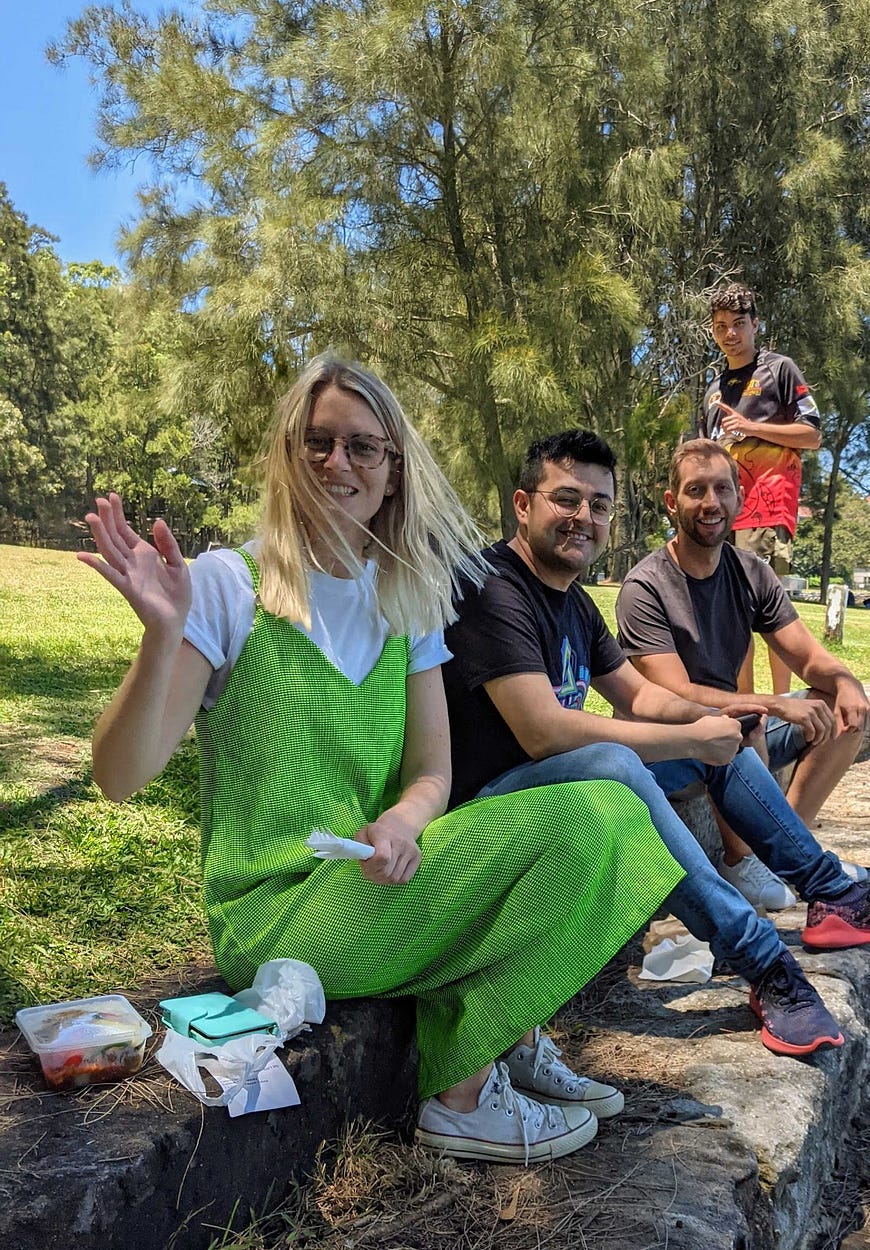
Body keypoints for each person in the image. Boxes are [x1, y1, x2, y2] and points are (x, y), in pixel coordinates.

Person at [79, 356, 689, 1165]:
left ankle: (504, 1037)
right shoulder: (230, 587)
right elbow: (118, 777)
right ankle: (464, 1097)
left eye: (364, 448)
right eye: (318, 441)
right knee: (590, 817)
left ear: (394, 471)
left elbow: (430, 773)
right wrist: (162, 634)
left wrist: (404, 821)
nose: (339, 464)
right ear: (288, 454)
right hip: (274, 922)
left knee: (611, 811)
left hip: (370, 882)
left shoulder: (406, 598)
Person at [443, 429, 870, 1058]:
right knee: (618, 761)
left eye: (598, 505)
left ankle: (832, 894)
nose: (583, 518)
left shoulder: (572, 601)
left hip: (550, 790)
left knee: (711, 735)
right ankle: (765, 965)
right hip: (485, 808)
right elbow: (542, 730)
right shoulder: (493, 585)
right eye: (566, 500)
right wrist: (694, 725)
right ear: (523, 504)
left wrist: (707, 726)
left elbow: (641, 697)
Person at [616, 437, 870, 910]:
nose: (710, 503)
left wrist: (845, 681)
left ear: (739, 497)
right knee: (742, 721)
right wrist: (772, 704)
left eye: (721, 489)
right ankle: (740, 860)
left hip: (737, 732)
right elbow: (670, 691)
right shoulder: (645, 586)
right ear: (673, 503)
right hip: (670, 749)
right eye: (696, 490)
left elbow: (807, 655)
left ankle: (788, 850)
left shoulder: (752, 573)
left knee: (840, 707)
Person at [700, 282, 821, 695]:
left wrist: (750, 427)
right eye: (720, 326)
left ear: (755, 324)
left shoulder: (779, 369)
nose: (730, 334)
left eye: (737, 324)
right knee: (732, 613)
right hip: (722, 511)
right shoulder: (714, 389)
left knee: (767, 608)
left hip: (767, 506)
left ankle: (781, 702)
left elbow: (812, 434)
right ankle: (747, 704)